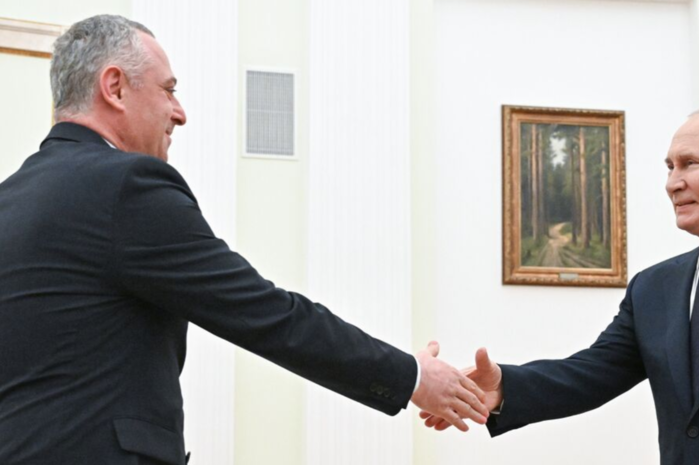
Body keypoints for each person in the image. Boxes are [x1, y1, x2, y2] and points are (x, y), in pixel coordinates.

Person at [0, 15, 488, 464]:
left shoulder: (11, 197)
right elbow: (265, 313)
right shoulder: (126, 185)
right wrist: (413, 377)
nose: (179, 113)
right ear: (115, 87)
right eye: (169, 90)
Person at [421, 106, 699, 464]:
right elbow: (590, 374)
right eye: (670, 167)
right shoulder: (654, 287)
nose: (672, 183)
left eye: (690, 164)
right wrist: (504, 388)